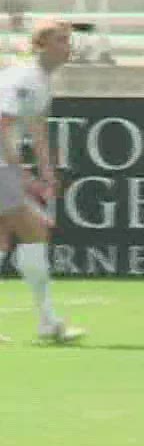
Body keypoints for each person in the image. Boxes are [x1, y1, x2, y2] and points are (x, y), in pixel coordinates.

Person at [0, 21, 83, 345]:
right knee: (33, 231)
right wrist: (24, 176)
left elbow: (36, 128)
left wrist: (47, 174)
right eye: (60, 40)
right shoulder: (24, 78)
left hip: (4, 163)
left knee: (4, 239)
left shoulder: (42, 81)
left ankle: (48, 322)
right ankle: (48, 322)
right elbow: (2, 126)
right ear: (41, 45)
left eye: (68, 40)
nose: (68, 46)